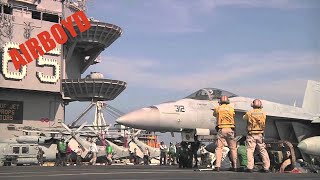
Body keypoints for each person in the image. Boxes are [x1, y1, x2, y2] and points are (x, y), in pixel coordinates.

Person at [243, 99, 270, 173]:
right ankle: (266, 167)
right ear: (261, 105)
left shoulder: (249, 113)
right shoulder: (263, 113)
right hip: (260, 135)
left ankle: (250, 167)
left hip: (251, 135)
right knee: (263, 151)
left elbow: (244, 118)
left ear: (252, 105)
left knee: (250, 151)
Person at [213, 95, 237, 172]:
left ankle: (217, 166)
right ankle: (235, 166)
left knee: (219, 148)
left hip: (221, 130)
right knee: (233, 148)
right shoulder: (231, 108)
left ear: (220, 101)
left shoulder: (218, 108)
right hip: (230, 130)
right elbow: (233, 115)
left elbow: (214, 114)